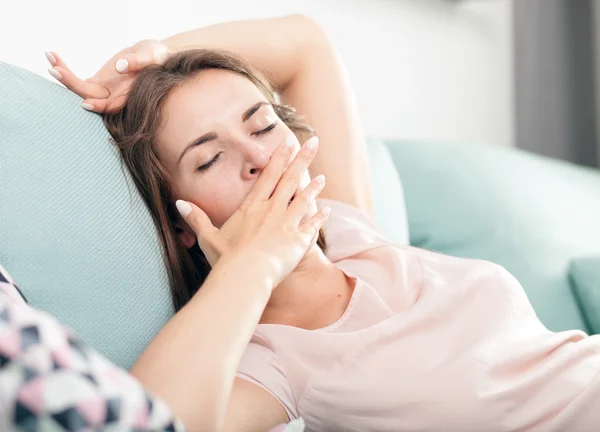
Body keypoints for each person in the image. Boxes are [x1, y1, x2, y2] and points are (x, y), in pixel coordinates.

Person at [47, 14, 600, 432]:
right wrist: (253, 263)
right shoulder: (276, 362)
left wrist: (156, 61)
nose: (258, 158)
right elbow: (145, 421)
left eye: (262, 125)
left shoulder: (356, 234)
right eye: (208, 159)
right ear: (184, 224)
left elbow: (306, 44)